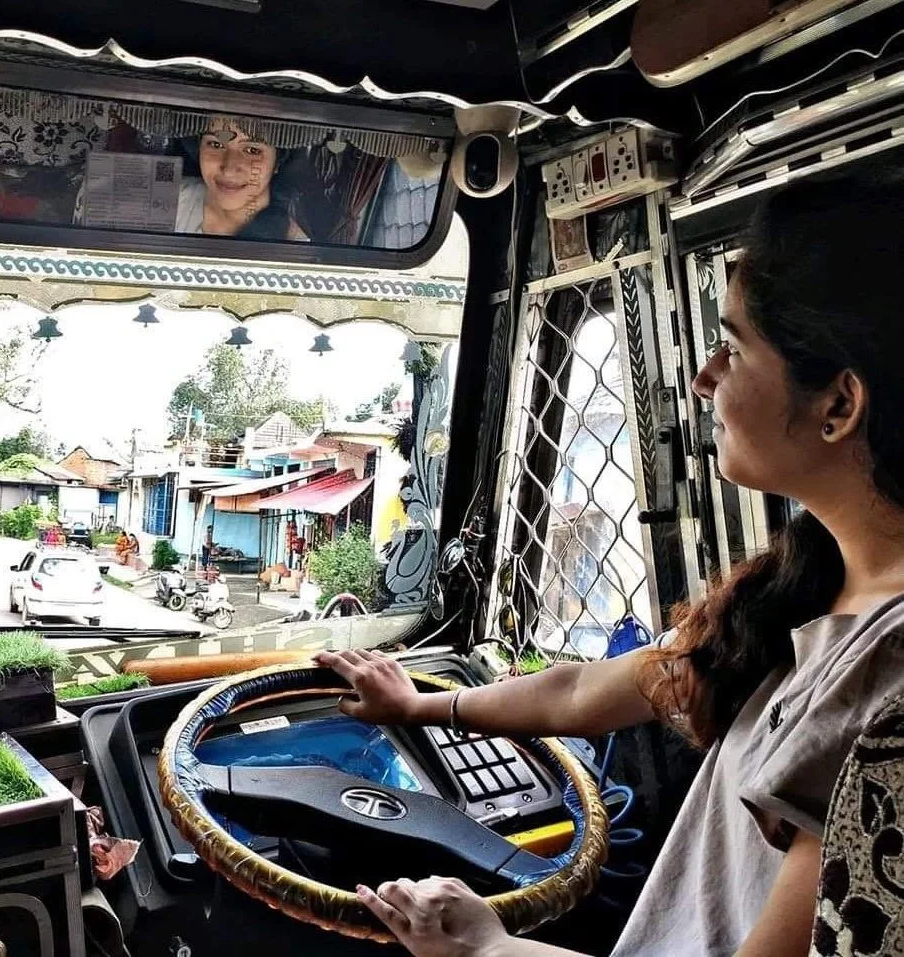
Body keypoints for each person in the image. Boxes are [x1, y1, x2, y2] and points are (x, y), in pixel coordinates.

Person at [316, 173, 904, 957]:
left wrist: (484, 946)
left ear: (838, 405)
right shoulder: (812, 582)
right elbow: (583, 689)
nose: (702, 378)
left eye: (730, 349)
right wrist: (421, 707)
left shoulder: (884, 673)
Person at [175, 120, 308, 241]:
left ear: (277, 162)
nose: (229, 170)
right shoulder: (167, 199)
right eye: (216, 144)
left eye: (252, 150)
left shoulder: (303, 245)